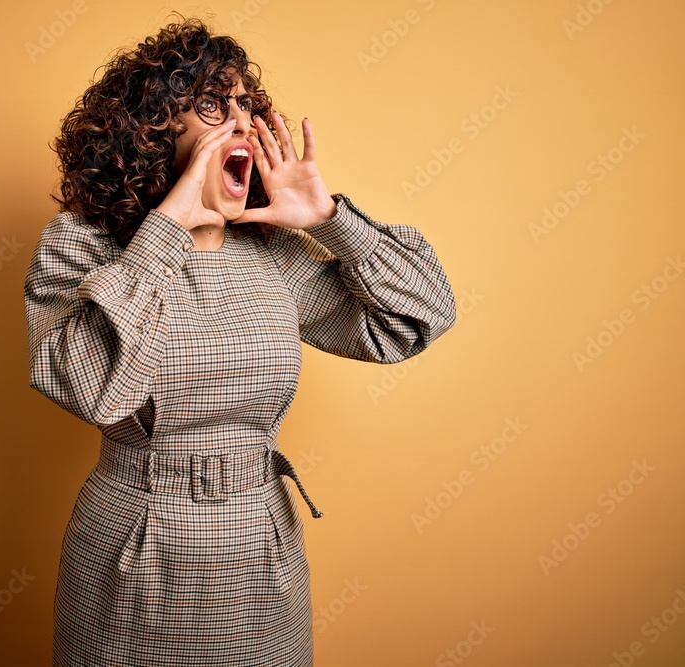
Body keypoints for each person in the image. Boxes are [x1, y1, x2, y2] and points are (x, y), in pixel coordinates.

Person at [24, 13, 456, 666]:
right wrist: (169, 226)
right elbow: (90, 387)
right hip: (134, 552)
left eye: (247, 105)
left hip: (259, 551)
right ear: (151, 128)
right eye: (210, 105)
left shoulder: (272, 255)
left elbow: (417, 317)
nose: (242, 123)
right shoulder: (82, 246)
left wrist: (333, 223)